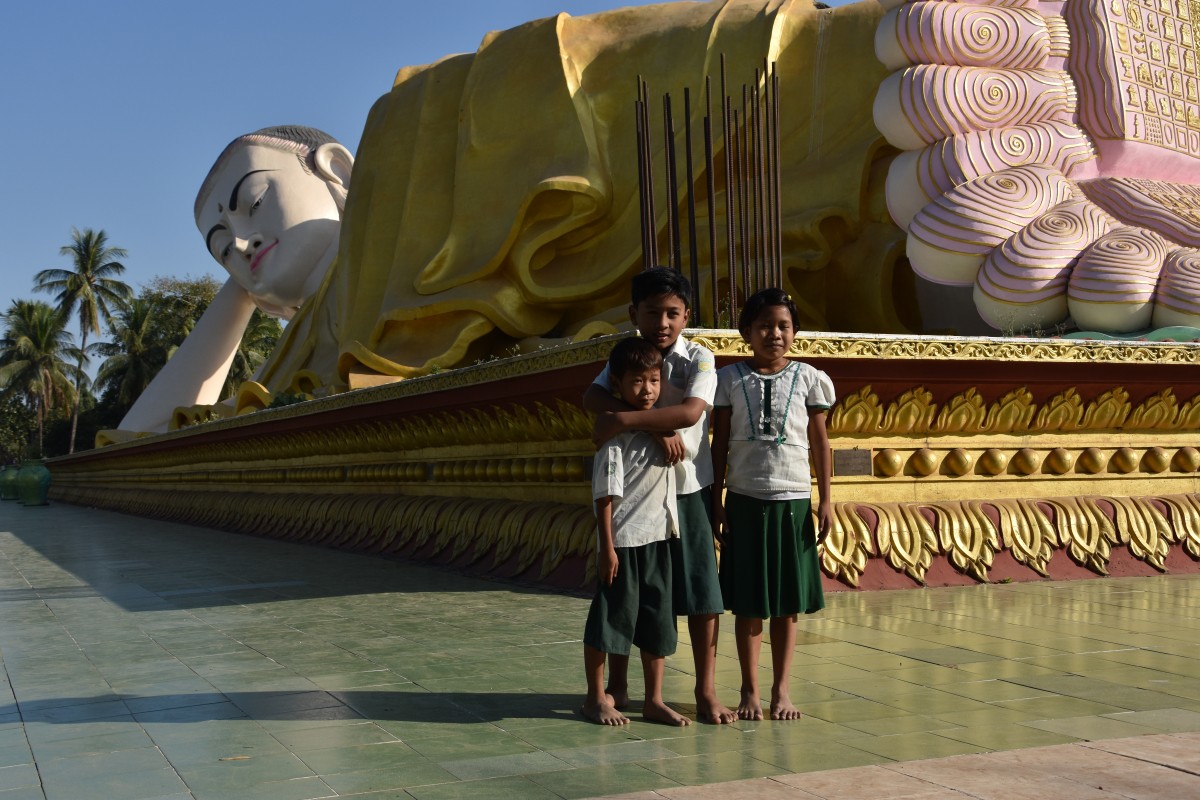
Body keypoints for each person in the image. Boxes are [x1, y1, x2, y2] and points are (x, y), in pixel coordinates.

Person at [118, 126, 353, 433]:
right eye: (224, 250)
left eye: (255, 202)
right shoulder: (293, 360)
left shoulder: (408, 265)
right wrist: (245, 291)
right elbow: (141, 438)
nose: (241, 243)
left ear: (337, 170)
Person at [585, 267, 736, 725]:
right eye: (653, 313)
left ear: (687, 314)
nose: (663, 323)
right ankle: (619, 686)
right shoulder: (629, 356)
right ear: (634, 313)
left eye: (672, 313)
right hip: (637, 497)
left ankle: (705, 690)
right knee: (634, 594)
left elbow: (692, 412)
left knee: (702, 593)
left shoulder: (700, 359)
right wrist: (656, 433)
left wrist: (629, 422)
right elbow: (591, 399)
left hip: (688, 487)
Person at [711, 287, 833, 721]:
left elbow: (820, 444)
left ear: (795, 331)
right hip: (744, 500)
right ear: (746, 332)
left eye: (783, 326)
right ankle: (749, 690)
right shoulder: (728, 380)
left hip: (793, 501)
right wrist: (717, 497)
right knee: (748, 602)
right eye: (764, 325)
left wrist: (826, 501)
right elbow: (720, 443)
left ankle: (782, 691)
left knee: (787, 602)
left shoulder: (810, 378)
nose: (774, 334)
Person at [583, 337, 688, 727]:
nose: (648, 391)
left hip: (658, 537)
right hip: (624, 542)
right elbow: (605, 497)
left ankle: (654, 700)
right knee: (609, 621)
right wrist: (606, 547)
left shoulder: (661, 426)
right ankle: (596, 697)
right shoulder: (613, 435)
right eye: (638, 382)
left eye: (655, 380)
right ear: (617, 385)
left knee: (657, 621)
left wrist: (659, 431)